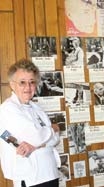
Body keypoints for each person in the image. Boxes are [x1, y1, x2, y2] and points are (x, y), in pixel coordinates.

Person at [0, 59, 60, 187]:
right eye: (22, 82)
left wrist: (35, 145)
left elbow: (55, 140)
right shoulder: (8, 108)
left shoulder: (37, 108)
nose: (28, 87)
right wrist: (53, 128)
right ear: (12, 85)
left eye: (32, 82)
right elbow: (35, 136)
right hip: (30, 177)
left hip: (50, 173)